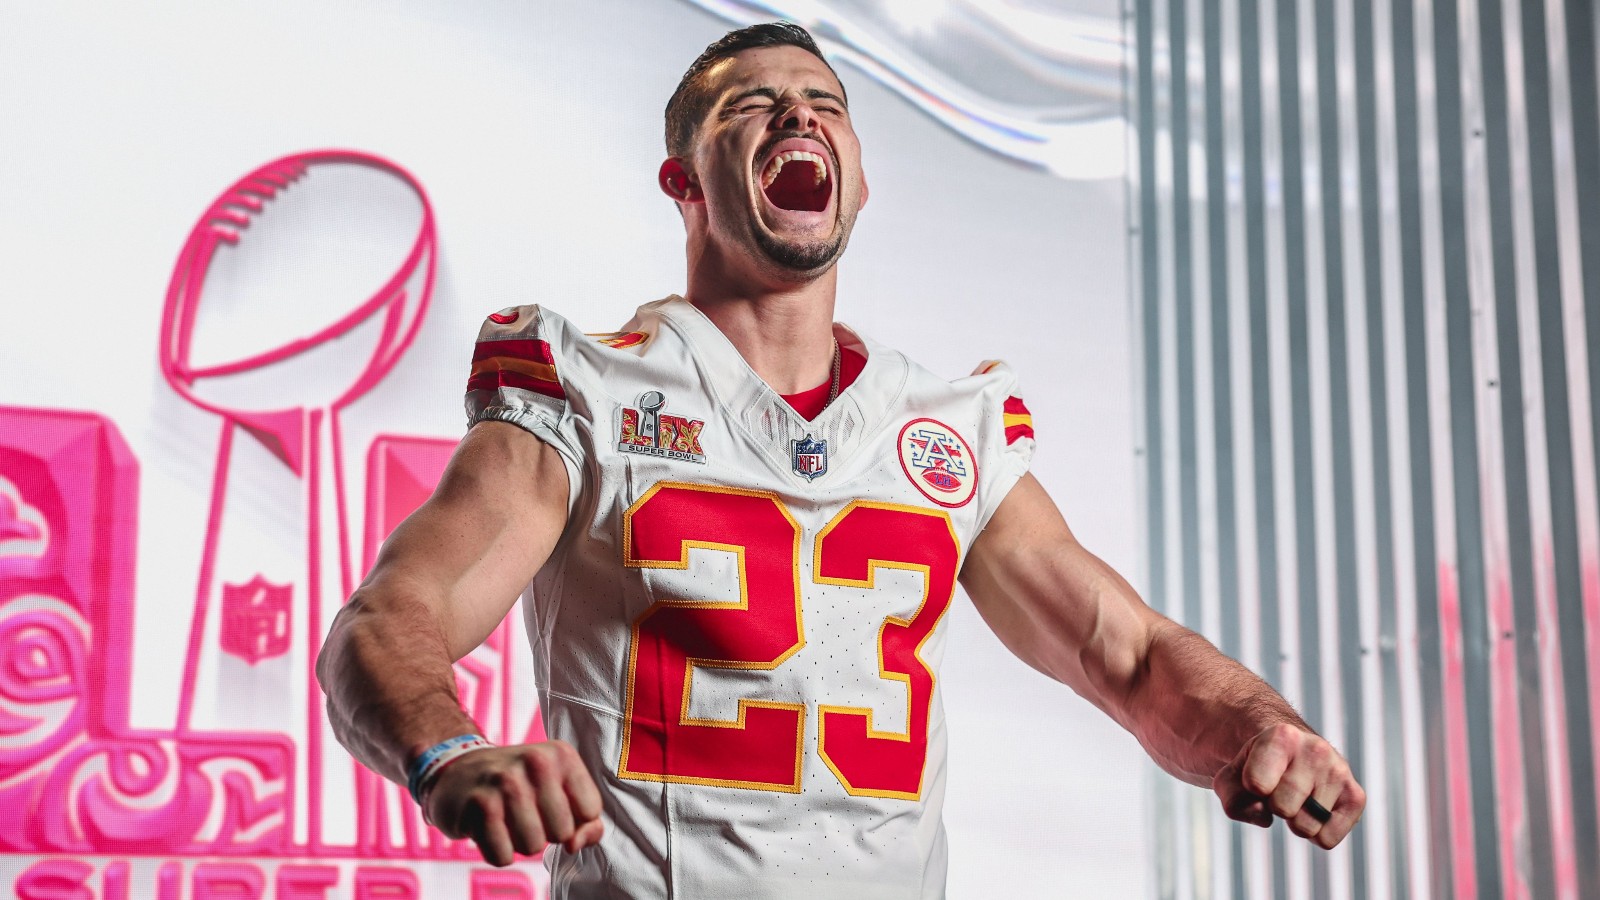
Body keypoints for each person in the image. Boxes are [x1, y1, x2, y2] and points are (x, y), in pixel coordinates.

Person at [317, 21, 1365, 898]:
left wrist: (1261, 732)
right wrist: (447, 750)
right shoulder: (586, 390)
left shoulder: (944, 427)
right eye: (751, 105)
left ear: (860, 181)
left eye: (824, 102)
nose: (796, 115)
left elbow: (1126, 655)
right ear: (684, 182)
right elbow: (390, 618)